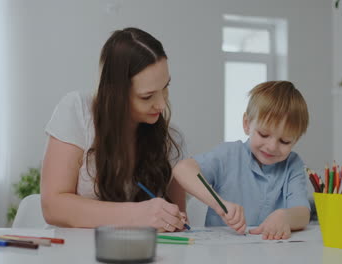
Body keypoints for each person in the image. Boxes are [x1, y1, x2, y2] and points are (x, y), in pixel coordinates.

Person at [41, 27, 187, 232]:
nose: (162, 105)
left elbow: (177, 221)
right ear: (116, 93)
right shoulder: (77, 111)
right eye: (147, 96)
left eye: (165, 87)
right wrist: (137, 215)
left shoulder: (170, 138)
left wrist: (173, 219)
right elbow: (53, 207)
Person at [173, 81, 310, 239]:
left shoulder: (293, 164)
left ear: (295, 140)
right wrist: (218, 204)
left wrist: (284, 217)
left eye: (285, 141)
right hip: (224, 251)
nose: (272, 147)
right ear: (247, 124)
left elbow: (303, 214)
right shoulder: (229, 154)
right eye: (264, 134)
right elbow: (182, 169)